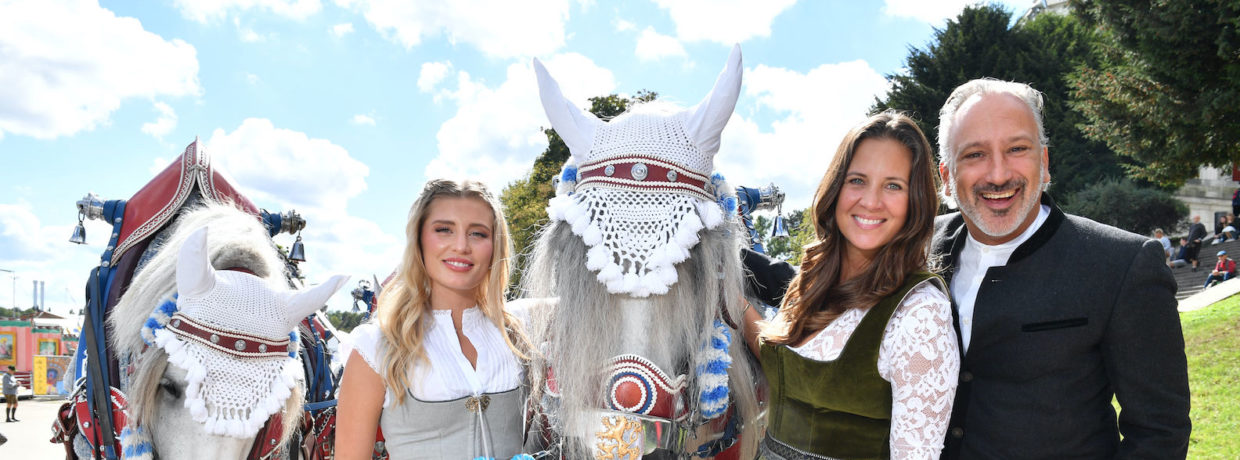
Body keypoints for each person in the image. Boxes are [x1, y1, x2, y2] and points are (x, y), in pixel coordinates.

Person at [932, 78, 1190, 458]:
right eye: (974, 155)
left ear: (1045, 162)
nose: (999, 174)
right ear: (946, 177)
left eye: (1017, 148)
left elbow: (1159, 432)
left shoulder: (1122, 264)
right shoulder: (911, 249)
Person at [742, 111, 959, 459]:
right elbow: (791, 371)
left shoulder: (920, 314)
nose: (870, 201)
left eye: (893, 185)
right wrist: (732, 303)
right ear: (836, 186)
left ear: (914, 200)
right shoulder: (812, 282)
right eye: (857, 180)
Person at [334, 179, 532, 460]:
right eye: (444, 230)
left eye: (478, 233)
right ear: (419, 239)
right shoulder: (376, 346)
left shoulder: (516, 334)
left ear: (494, 245)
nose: (461, 246)